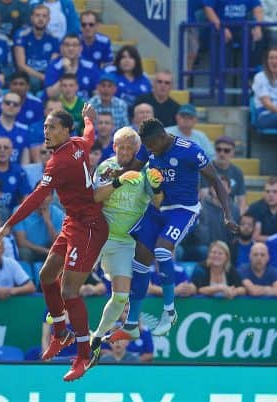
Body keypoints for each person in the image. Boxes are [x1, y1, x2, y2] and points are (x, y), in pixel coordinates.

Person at [0, 105, 108, 381]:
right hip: (73, 222)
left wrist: (7, 225)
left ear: (65, 130)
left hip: (89, 227)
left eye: (51, 127)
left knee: (69, 291)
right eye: (44, 126)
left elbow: (34, 198)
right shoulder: (79, 143)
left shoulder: (58, 163)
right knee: (46, 276)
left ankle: (83, 355)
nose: (46, 131)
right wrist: (88, 118)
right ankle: (60, 332)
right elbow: (90, 134)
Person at [108, 118, 238, 341]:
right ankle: (131, 325)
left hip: (184, 210)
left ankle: (169, 312)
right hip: (158, 208)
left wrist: (227, 214)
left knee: (162, 251)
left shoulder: (190, 151)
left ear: (161, 138)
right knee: (139, 264)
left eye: (151, 146)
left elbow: (216, 181)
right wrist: (116, 176)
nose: (149, 151)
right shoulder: (150, 147)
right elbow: (133, 169)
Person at [87, 127, 162, 366]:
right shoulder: (107, 167)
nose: (126, 152)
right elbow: (96, 197)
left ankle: (97, 336)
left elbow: (159, 204)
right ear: (114, 147)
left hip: (125, 241)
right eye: (122, 147)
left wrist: (158, 187)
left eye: (131, 148)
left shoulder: (146, 171)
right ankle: (57, 315)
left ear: (138, 150)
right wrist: (119, 181)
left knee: (120, 297)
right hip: (100, 233)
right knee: (74, 278)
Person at [13, 4, 60, 91]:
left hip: (46, 74)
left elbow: (52, 64)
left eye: (44, 16)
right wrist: (42, 77)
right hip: (27, 73)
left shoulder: (54, 38)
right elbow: (21, 65)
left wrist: (47, 77)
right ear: (32, 18)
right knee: (35, 82)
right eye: (37, 15)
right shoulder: (22, 35)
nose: (41, 19)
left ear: (48, 19)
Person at [13, 189, 63, 263]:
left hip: (49, 246)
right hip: (30, 248)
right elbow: (22, 242)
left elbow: (58, 243)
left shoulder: (58, 213)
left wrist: (48, 222)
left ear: (52, 198)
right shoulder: (20, 210)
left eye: (46, 195)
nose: (42, 197)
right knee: (24, 252)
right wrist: (46, 251)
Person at [44, 33, 101, 100]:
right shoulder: (54, 66)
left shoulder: (90, 67)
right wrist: (67, 73)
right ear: (61, 48)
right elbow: (51, 94)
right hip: (61, 107)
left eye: (75, 45)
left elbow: (97, 94)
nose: (71, 48)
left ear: (80, 49)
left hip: (84, 106)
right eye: (67, 45)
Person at [204, 136, 246, 214]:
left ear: (233, 153)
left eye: (226, 151)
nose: (222, 153)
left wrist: (239, 219)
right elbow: (203, 197)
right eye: (218, 150)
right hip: (210, 213)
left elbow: (242, 201)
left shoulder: (237, 172)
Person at [247, 176, 277, 241]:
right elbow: (255, 238)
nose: (271, 195)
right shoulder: (254, 209)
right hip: (261, 248)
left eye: (275, 192)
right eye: (267, 191)